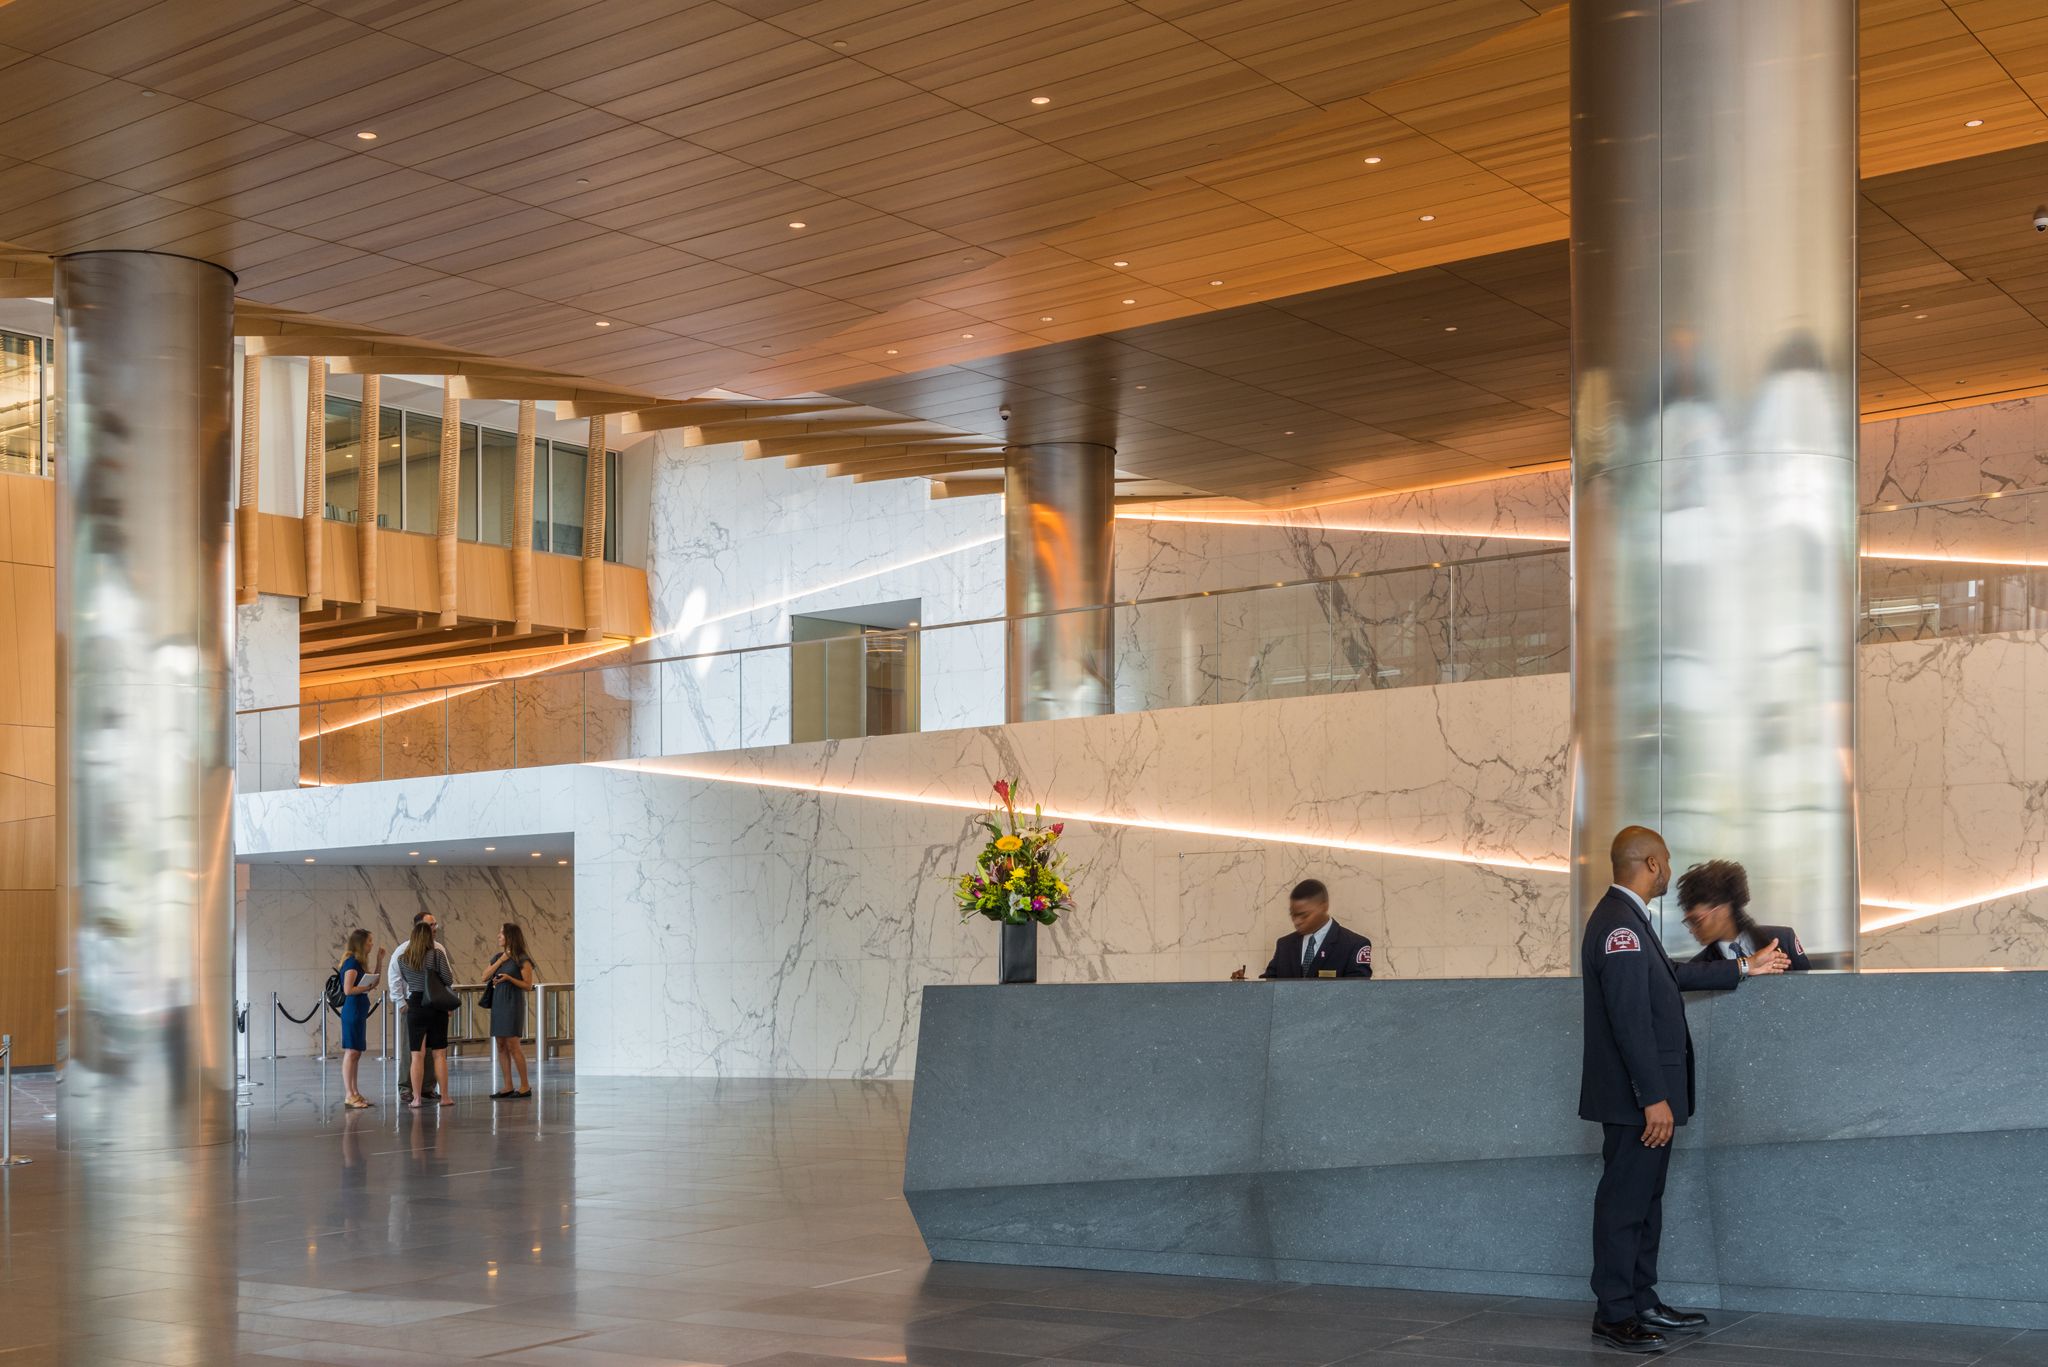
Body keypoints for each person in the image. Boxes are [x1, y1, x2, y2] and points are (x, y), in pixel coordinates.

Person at [1581, 826, 1789, 1353]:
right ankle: (1614, 1313)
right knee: (1624, 1205)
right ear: (1651, 863)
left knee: (1646, 1201)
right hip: (1638, 1102)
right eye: (1667, 862)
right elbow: (1629, 1019)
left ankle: (1640, 1299)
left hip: (1645, 1098)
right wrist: (1653, 1096)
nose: (1669, 873)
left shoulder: (1627, 920)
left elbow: (1668, 977)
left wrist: (1744, 966)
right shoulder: (1618, 926)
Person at [1677, 860, 1812, 973]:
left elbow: (1813, 990)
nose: (1691, 929)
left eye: (1696, 921)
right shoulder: (1699, 966)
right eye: (1688, 922)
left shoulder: (1783, 940)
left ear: (1723, 910)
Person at [1230, 879, 1373, 980]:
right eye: (1293, 915)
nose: (1296, 921)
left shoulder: (1354, 945)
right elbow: (1270, 987)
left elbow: (1357, 996)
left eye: (1304, 915)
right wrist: (1244, 986)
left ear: (1324, 906)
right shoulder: (1284, 945)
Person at [395, 922, 456, 1110]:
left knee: (416, 1055)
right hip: (436, 1005)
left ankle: (416, 1099)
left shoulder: (403, 958)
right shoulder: (437, 954)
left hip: (416, 1004)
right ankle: (445, 1097)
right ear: (429, 937)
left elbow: (406, 980)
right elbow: (448, 979)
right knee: (439, 1054)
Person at [484, 922, 536, 1100]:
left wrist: (508, 978)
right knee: (500, 1045)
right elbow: (484, 976)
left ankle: (524, 1086)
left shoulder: (523, 959)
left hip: (513, 1004)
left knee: (513, 1045)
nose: (498, 936)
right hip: (499, 1004)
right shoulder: (498, 958)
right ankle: (507, 1085)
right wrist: (501, 961)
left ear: (510, 937)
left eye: (502, 934)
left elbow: (528, 986)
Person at [336, 929, 385, 1110]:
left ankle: (355, 1092)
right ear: (361, 943)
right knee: (351, 1052)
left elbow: (374, 982)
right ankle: (349, 1094)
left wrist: (380, 961)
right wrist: (365, 988)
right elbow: (348, 990)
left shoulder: (360, 964)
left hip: (358, 1011)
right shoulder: (351, 963)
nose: (372, 944)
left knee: (356, 1053)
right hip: (352, 1011)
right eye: (369, 941)